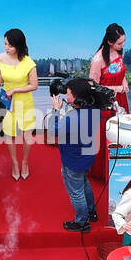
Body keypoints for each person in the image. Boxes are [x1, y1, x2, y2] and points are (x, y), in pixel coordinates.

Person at [44, 78, 102, 232]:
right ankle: (92, 212)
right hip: (87, 157)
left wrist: (55, 110)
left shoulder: (72, 119)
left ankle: (82, 222)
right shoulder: (95, 110)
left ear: (78, 98)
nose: (66, 96)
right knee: (84, 183)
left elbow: (52, 131)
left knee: (76, 192)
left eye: (68, 93)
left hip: (73, 160)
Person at [89, 23, 131, 179]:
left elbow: (121, 72)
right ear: (109, 42)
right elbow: (93, 86)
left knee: (122, 132)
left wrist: (124, 82)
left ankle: (122, 166)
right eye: (120, 43)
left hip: (121, 99)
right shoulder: (98, 59)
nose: (123, 45)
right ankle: (103, 172)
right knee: (107, 135)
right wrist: (117, 88)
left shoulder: (119, 53)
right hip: (106, 102)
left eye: (124, 41)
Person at [0, 28, 38, 181]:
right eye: (5, 44)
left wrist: (15, 89)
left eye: (10, 45)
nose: (6, 48)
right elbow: (1, 77)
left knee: (27, 135)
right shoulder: (0, 58)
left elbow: (34, 85)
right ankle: (15, 163)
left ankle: (25, 162)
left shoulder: (29, 63)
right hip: (7, 101)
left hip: (24, 101)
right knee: (9, 134)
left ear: (19, 46)